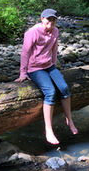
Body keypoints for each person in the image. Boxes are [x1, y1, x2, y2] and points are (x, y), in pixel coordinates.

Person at [15, 8, 78, 145]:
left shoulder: (55, 31)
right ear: (42, 19)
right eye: (49, 19)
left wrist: (54, 67)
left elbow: (54, 49)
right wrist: (23, 73)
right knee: (50, 92)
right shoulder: (33, 32)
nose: (51, 21)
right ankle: (48, 130)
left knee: (65, 89)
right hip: (34, 68)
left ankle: (69, 120)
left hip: (49, 66)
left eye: (54, 19)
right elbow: (25, 53)